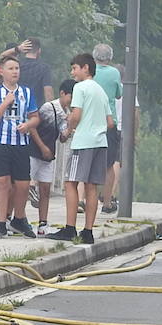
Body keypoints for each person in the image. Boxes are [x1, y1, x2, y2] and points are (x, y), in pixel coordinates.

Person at [51, 53, 110, 245]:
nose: (72, 72)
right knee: (91, 186)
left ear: (86, 68)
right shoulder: (101, 91)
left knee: (71, 182)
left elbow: (76, 115)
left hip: (83, 142)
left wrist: (69, 128)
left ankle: (70, 228)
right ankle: (88, 231)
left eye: (75, 68)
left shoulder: (80, 87)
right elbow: (110, 122)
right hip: (100, 143)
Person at [0, 56, 39, 238]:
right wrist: (5, 103)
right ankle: (0, 223)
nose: (15, 71)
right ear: (2, 71)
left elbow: (35, 117)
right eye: (11, 68)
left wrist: (28, 125)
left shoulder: (27, 92)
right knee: (2, 184)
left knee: (23, 184)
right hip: (0, 142)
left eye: (17, 68)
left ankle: (19, 218)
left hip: (21, 143)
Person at [28, 79, 68, 234]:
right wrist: (42, 146)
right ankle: (11, 218)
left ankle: (43, 223)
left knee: (45, 189)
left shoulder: (67, 113)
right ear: (63, 94)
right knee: (21, 187)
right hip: (35, 152)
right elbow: (33, 127)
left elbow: (63, 137)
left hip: (49, 155)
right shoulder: (48, 108)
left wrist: (70, 127)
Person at [93, 42, 123, 213]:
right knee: (109, 164)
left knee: (88, 162)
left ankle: (83, 199)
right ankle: (107, 202)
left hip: (91, 122)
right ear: (110, 58)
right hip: (109, 122)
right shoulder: (114, 73)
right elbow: (119, 94)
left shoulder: (90, 72)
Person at [17, 37, 54, 108]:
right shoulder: (44, 68)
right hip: (37, 109)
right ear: (39, 50)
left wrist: (17, 49)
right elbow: (48, 92)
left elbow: (2, 57)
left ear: (24, 50)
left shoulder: (16, 66)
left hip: (19, 108)